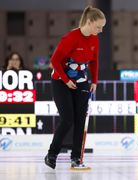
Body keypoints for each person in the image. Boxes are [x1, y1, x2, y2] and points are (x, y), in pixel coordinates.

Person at [44, 6, 106, 169]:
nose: (100, 30)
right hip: (61, 81)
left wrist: (94, 81)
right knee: (68, 119)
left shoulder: (94, 39)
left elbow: (94, 61)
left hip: (82, 82)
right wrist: (65, 80)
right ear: (89, 22)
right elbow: (55, 61)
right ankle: (52, 154)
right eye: (98, 26)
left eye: (102, 27)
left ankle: (76, 158)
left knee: (80, 120)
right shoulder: (70, 38)